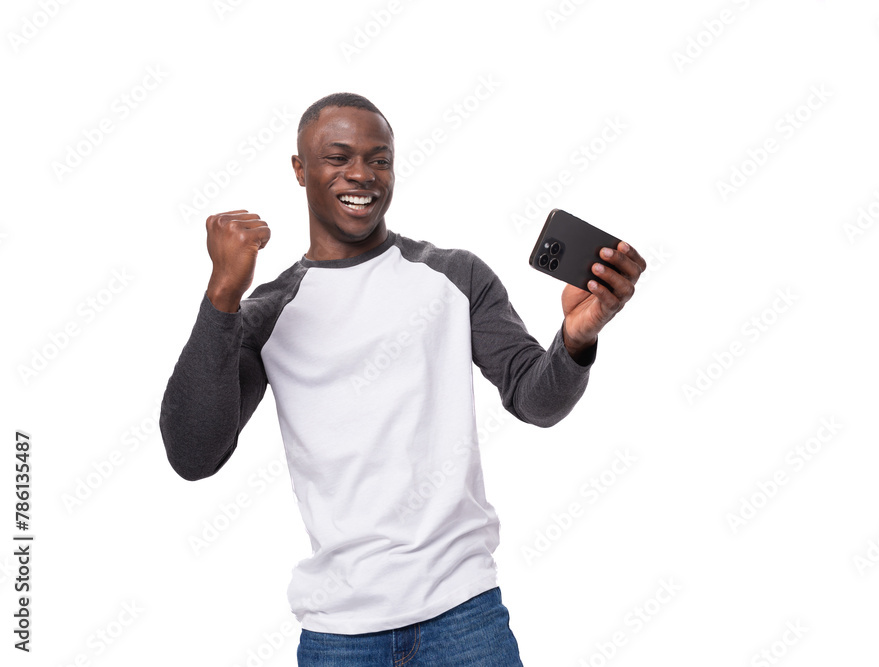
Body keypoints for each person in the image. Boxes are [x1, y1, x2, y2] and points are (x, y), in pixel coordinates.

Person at [159, 92, 645, 666]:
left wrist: (576, 337)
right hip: (339, 633)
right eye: (337, 157)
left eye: (379, 158)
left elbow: (536, 399)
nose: (361, 175)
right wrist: (222, 297)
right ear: (300, 169)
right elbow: (194, 453)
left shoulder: (454, 275)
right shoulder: (268, 311)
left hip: (465, 616)